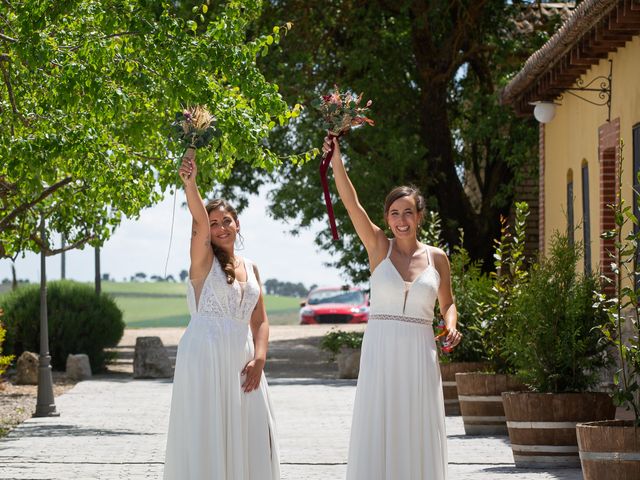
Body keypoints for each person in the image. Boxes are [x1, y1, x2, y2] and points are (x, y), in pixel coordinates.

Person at [323, 135, 462, 480]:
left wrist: (451, 324)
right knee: (379, 421)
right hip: (381, 349)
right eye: (395, 213)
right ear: (387, 218)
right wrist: (336, 160)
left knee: (417, 423)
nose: (402, 220)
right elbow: (350, 202)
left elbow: (448, 303)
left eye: (408, 213)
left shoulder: (437, 258)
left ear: (419, 217)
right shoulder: (377, 248)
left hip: (419, 351)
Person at [163, 148, 280, 480]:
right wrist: (191, 184)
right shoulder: (203, 262)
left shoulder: (253, 266)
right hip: (206, 355)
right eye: (213, 224)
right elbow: (198, 221)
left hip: (243, 357)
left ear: (237, 222)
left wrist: (259, 359)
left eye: (225, 221)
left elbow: (260, 320)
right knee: (208, 434)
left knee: (254, 431)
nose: (220, 228)